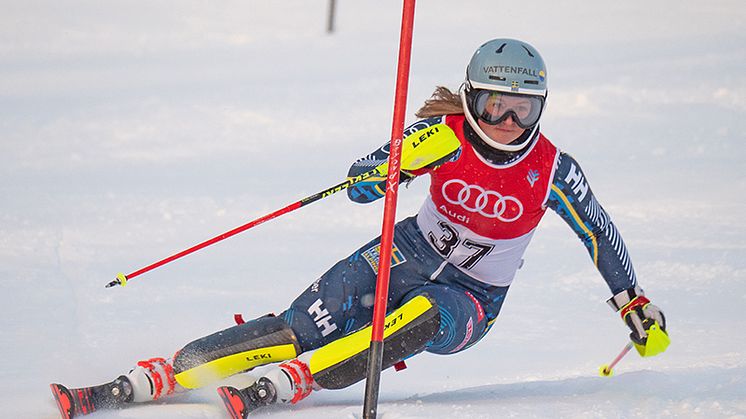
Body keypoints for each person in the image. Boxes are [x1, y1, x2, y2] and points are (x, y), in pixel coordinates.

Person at [50, 38, 670, 419]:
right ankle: (159, 375)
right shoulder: (443, 135)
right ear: (470, 98)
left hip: (472, 299)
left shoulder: (552, 167)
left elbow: (598, 229)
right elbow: (362, 175)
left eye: (522, 110)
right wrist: (381, 173)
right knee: (301, 324)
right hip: (405, 250)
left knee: (420, 313)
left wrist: (631, 300)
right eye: (493, 107)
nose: (506, 122)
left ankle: (298, 381)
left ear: (542, 108)